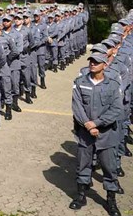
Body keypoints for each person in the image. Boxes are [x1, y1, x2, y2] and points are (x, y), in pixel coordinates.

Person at [68, 50, 123, 215]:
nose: (92, 63)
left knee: (109, 168)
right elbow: (76, 106)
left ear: (104, 65)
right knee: (83, 165)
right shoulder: (80, 82)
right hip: (86, 134)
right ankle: (81, 196)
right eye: (91, 61)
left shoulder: (113, 85)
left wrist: (97, 123)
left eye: (96, 62)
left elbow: (116, 109)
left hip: (106, 135)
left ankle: (111, 200)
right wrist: (87, 125)